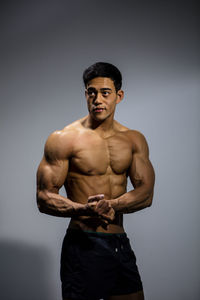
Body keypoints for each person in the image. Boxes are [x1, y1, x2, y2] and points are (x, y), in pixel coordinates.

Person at [36, 62, 155, 300]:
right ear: (85, 94)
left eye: (105, 93)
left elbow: (146, 193)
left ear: (119, 96)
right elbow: (44, 197)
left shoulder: (133, 140)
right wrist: (83, 209)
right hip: (82, 244)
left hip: (119, 242)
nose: (97, 99)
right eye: (91, 92)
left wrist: (113, 205)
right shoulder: (64, 139)